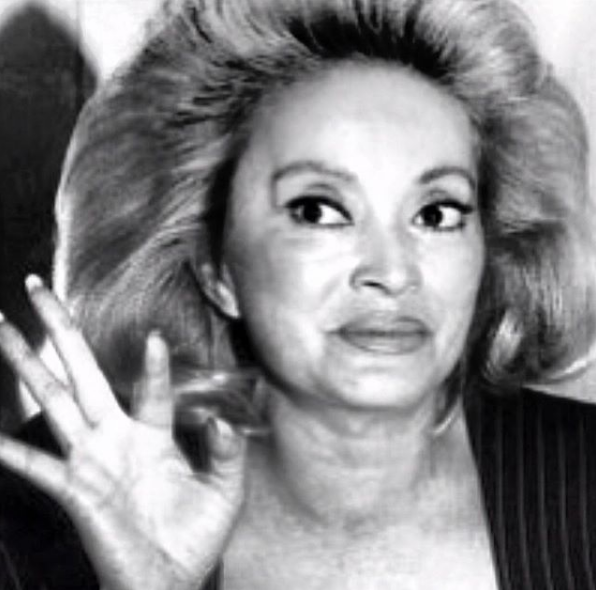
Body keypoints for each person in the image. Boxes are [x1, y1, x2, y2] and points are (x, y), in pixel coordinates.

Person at [0, 0, 595, 588]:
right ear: (215, 267)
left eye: (437, 214)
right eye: (318, 211)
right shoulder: (50, 510)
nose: (392, 272)